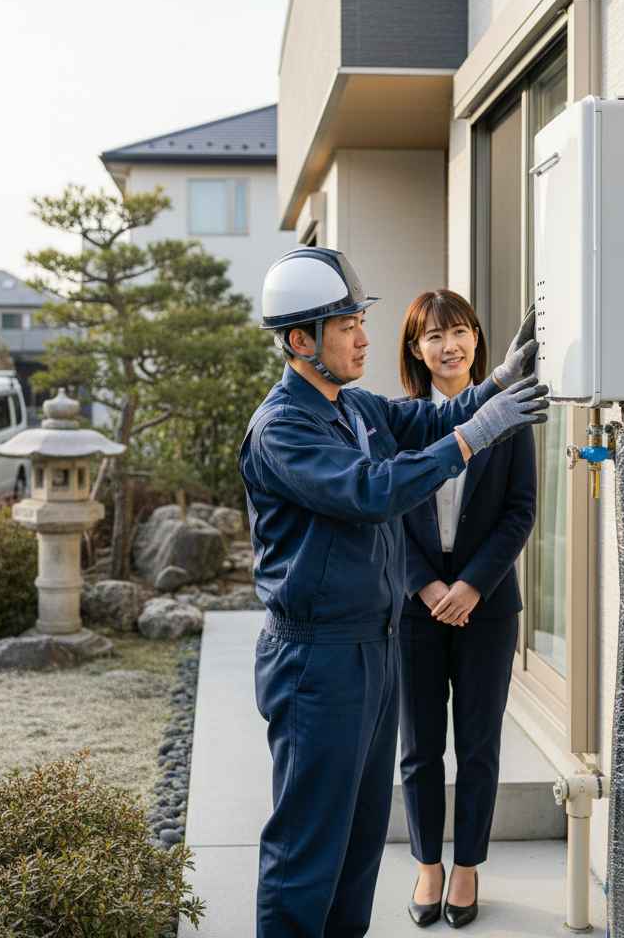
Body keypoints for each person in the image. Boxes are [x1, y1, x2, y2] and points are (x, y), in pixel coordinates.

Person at [239, 247, 547, 938]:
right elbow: (372, 492)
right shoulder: (285, 428)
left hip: (369, 652)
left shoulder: (351, 407)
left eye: (358, 320)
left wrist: (495, 383)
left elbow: (432, 421)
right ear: (300, 340)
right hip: (316, 662)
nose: (363, 336)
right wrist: (477, 434)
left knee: (357, 852)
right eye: (346, 323)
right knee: (307, 852)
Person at [396, 290, 537, 929]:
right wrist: (424, 586)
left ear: (478, 339)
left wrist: (474, 585)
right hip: (415, 604)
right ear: (416, 350)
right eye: (434, 336)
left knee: (477, 745)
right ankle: (428, 865)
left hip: (487, 602)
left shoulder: (506, 413)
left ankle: (469, 867)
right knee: (420, 747)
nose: (448, 345)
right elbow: (386, 508)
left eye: (459, 332)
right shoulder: (398, 420)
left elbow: (520, 509)